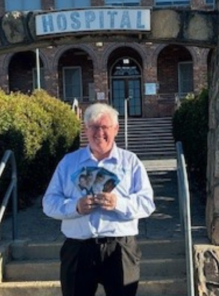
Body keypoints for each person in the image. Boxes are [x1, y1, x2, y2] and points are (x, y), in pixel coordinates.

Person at [43, 103, 155, 296]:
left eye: (105, 127)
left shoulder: (131, 162)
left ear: (116, 129)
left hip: (120, 248)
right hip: (78, 248)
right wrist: (74, 207)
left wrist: (118, 203)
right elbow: (48, 203)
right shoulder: (69, 162)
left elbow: (147, 203)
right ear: (85, 129)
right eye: (94, 126)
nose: (99, 132)